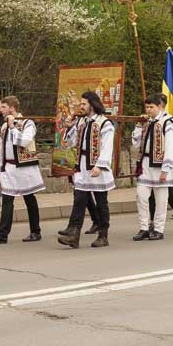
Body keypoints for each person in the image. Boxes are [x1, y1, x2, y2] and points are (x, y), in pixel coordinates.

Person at [58, 90, 114, 249]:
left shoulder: (105, 123)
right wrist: (69, 128)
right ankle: (74, 235)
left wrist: (100, 165)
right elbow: (70, 143)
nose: (81, 107)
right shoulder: (82, 122)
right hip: (82, 167)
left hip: (96, 168)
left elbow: (107, 146)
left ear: (92, 104)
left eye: (83, 104)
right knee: (79, 200)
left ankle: (103, 235)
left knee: (101, 202)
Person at [0, 95, 44, 244]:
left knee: (29, 198)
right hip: (9, 168)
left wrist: (13, 127)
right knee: (7, 200)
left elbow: (24, 141)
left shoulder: (28, 123)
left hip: (24, 168)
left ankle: (35, 231)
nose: (0, 109)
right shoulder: (3, 126)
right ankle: (2, 234)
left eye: (3, 107)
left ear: (12, 108)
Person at [132, 97, 173, 241]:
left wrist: (166, 169)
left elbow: (171, 145)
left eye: (151, 107)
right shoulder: (147, 122)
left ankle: (159, 229)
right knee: (141, 196)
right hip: (146, 164)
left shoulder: (168, 122)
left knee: (161, 200)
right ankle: (144, 227)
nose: (148, 110)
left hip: (161, 166)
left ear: (159, 106)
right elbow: (136, 143)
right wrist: (139, 125)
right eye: (146, 107)